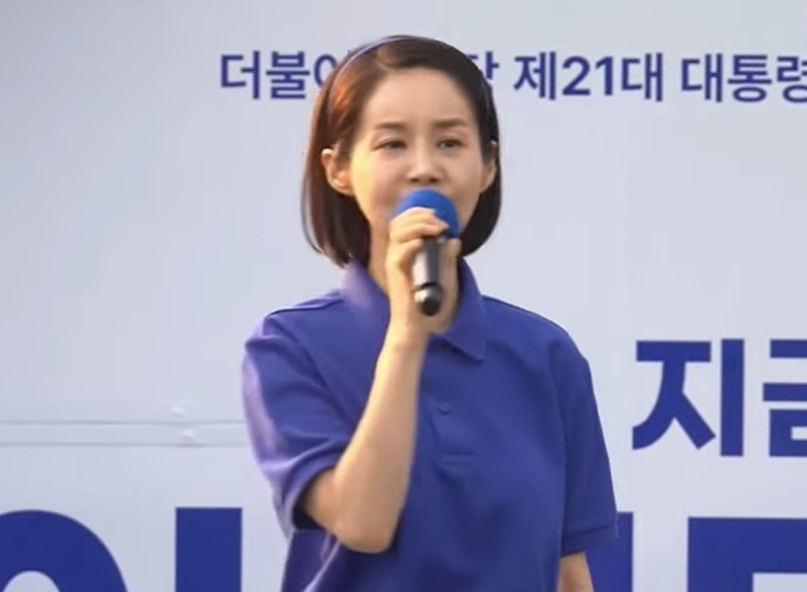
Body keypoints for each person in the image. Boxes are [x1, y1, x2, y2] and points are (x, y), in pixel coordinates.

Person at [239, 34, 618, 592]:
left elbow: (568, 572)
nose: (424, 168)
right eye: (392, 143)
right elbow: (363, 523)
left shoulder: (546, 355)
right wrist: (407, 335)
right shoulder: (289, 347)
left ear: (487, 166)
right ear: (338, 168)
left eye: (449, 143)